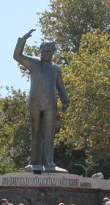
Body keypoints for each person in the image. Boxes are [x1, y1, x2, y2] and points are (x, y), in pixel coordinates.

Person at [13, 29, 69, 172]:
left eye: (49, 51)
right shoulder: (34, 64)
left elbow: (60, 86)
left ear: (53, 52)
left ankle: (49, 161)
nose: (46, 53)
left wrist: (65, 100)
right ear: (40, 51)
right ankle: (34, 161)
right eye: (43, 51)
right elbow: (17, 56)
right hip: (35, 103)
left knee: (49, 134)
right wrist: (23, 40)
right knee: (36, 133)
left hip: (51, 104)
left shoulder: (56, 69)